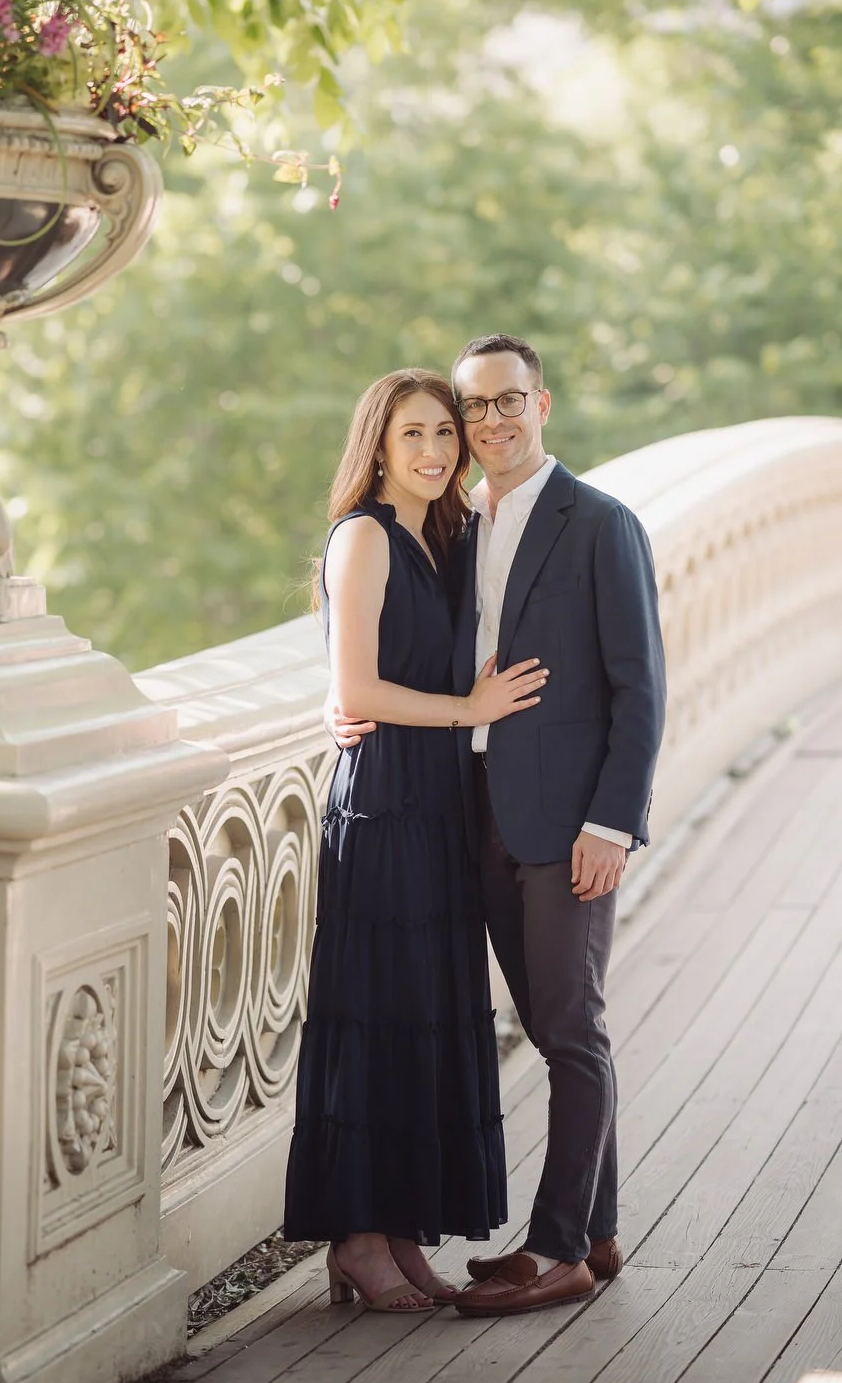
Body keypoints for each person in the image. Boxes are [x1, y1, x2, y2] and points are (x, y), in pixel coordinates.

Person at [331, 335, 666, 1317]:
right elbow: (397, 646)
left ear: (542, 404)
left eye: (506, 402)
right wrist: (338, 701)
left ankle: (557, 1248)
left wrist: (613, 820)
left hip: (568, 826)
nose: (490, 422)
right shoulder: (458, 527)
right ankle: (596, 1233)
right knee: (550, 1025)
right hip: (468, 819)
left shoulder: (602, 523)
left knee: (570, 1027)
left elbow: (641, 691)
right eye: (473, 409)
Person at [282, 368, 548, 1313]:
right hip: (385, 806)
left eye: (446, 432)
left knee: (426, 1021)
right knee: (378, 1017)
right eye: (414, 437)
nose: (436, 451)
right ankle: (356, 1237)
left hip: (440, 807)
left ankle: (400, 1231)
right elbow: (357, 691)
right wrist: (463, 707)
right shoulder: (363, 538)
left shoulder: (452, 536)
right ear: (378, 448)